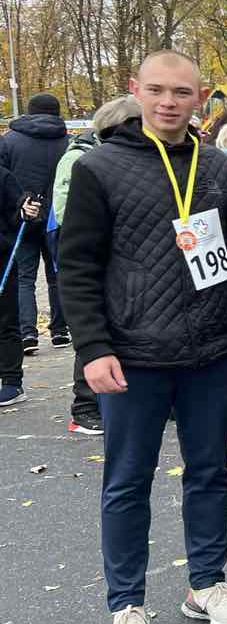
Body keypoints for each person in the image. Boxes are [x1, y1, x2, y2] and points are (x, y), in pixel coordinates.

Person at [58, 50, 227, 624]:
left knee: (209, 474)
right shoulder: (101, 167)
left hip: (212, 352)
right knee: (126, 482)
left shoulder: (219, 165)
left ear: (202, 99)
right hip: (134, 355)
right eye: (158, 91)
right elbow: (78, 265)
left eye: (183, 93)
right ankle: (126, 607)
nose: (170, 102)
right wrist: (93, 348)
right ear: (135, 90)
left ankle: (206, 584)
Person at [51, 95, 142, 433]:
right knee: (94, 327)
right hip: (99, 258)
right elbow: (64, 210)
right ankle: (86, 405)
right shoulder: (83, 161)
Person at [0, 92, 71, 354]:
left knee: (25, 277)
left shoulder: (9, 142)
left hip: (23, 216)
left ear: (29, 111)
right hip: (58, 218)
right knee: (57, 275)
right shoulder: (68, 142)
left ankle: (27, 333)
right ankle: (60, 330)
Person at [0, 165, 36, 409]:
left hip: (1, 257)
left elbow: (19, 209)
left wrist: (25, 210)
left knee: (5, 319)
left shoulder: (3, 175)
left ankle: (12, 382)